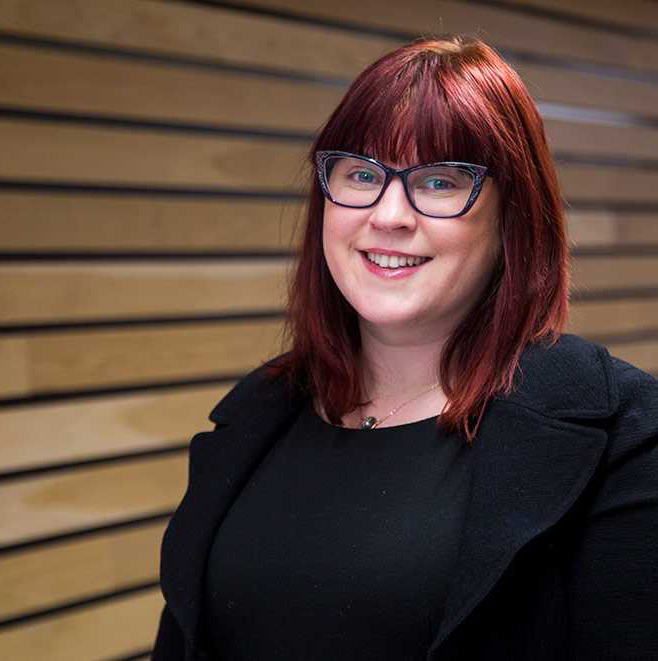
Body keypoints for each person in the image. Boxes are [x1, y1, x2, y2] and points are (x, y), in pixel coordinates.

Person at [152, 35, 658, 660]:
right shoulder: (258, 412)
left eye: (441, 181)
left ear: (513, 217)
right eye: (362, 174)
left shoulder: (625, 434)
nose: (390, 214)